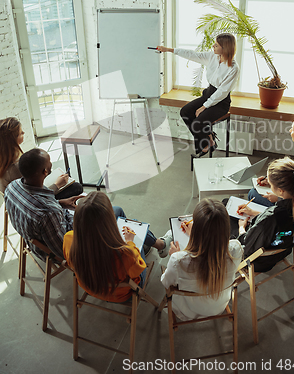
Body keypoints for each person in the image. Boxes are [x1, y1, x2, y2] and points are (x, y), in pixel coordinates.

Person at [4, 148, 171, 261]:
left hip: (38, 238)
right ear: (45, 172)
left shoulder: (12, 187)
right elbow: (65, 252)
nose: (51, 165)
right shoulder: (48, 214)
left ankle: (153, 243)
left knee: (113, 211)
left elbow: (37, 201)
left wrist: (60, 202)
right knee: (117, 214)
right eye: (50, 164)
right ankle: (153, 246)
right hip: (63, 245)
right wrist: (81, 219)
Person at [157, 33, 239, 157]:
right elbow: (193, 54)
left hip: (220, 102)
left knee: (197, 122)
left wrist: (204, 106)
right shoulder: (212, 56)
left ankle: (206, 144)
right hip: (208, 94)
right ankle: (209, 139)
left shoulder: (233, 68)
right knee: (185, 112)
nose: (213, 46)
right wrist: (169, 50)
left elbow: (222, 92)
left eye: (216, 45)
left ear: (225, 48)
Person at [161, 199, 243, 321]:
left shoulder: (178, 260)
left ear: (198, 229)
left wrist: (177, 254)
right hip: (218, 306)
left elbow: (166, 283)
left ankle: (162, 242)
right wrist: (195, 235)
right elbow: (212, 249)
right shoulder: (236, 248)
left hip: (187, 311)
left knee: (170, 234)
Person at [234, 157, 294, 272]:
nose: (268, 183)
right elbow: (275, 223)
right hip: (283, 250)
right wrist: (254, 213)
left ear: (281, 190)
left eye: (270, 183)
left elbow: (247, 245)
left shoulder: (271, 218)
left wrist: (241, 227)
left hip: (260, 261)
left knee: (225, 217)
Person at [63, 192, 147, 302]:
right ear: (109, 221)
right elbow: (139, 268)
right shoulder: (126, 254)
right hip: (122, 295)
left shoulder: (69, 238)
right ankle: (158, 244)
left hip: (90, 288)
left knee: (118, 210)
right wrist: (130, 242)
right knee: (135, 224)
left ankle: (158, 243)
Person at [0, 117, 83, 199]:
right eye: (21, 133)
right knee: (76, 187)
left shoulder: (6, 158)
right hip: (36, 199)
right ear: (13, 139)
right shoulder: (16, 167)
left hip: (28, 194)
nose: (24, 133)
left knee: (66, 178)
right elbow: (33, 198)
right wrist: (57, 185)